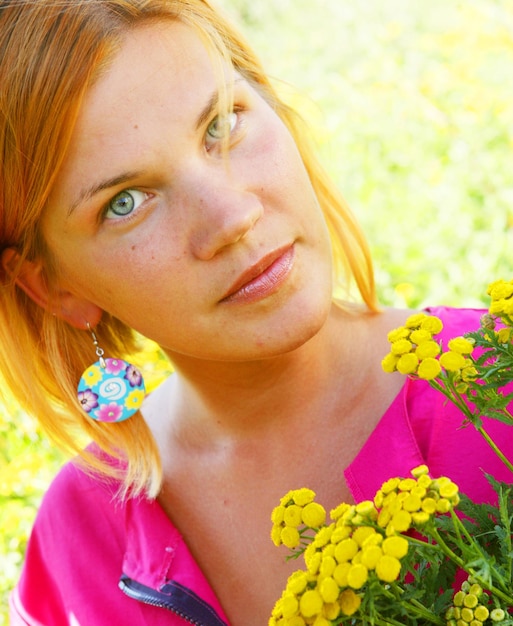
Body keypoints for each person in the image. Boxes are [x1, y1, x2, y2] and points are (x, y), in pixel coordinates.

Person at [1, 1, 511, 625]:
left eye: (222, 123)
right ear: (54, 287)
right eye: (126, 202)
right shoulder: (77, 544)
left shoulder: (497, 393)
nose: (231, 217)